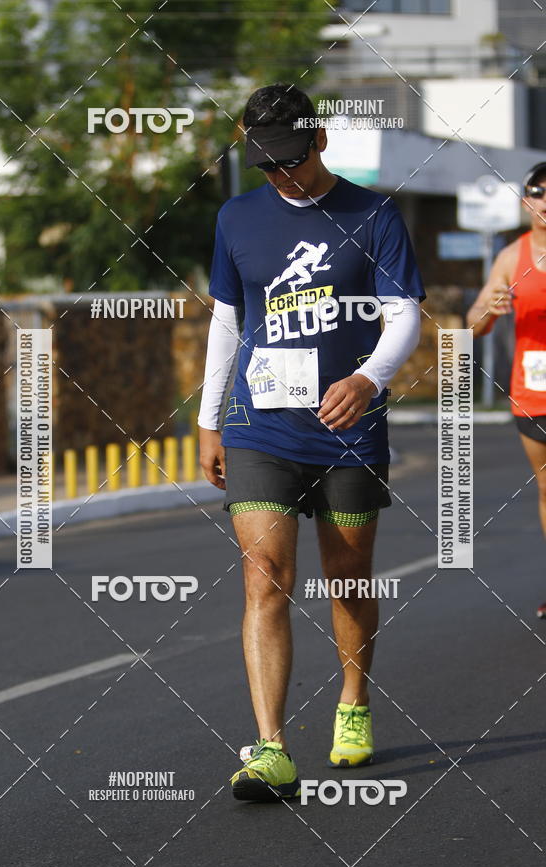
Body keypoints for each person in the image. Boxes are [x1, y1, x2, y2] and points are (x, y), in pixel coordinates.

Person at [198, 84, 425, 802]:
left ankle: (353, 699)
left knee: (349, 574)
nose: (281, 176)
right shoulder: (236, 218)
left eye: (291, 160)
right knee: (264, 572)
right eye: (267, 165)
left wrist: (369, 379)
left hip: (348, 430)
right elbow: (228, 324)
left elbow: (404, 314)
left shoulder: (373, 214)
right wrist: (208, 418)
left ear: (319, 141)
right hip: (260, 425)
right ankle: (271, 749)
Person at [467, 162, 546, 622]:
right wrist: (488, 307)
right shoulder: (511, 258)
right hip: (533, 390)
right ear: (525, 201)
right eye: (538, 193)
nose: (545, 202)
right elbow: (474, 322)